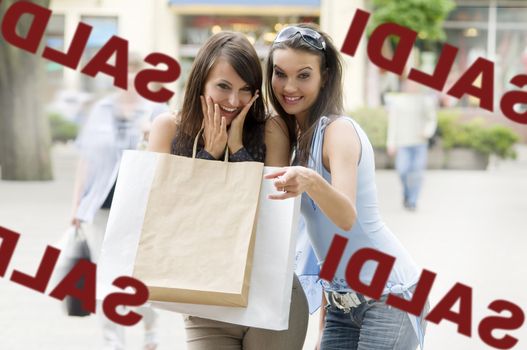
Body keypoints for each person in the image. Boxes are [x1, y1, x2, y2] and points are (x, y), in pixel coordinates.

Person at [264, 24, 428, 350]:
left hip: (389, 294)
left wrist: (310, 180)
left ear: (325, 76)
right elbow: (324, 243)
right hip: (342, 301)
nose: (289, 86)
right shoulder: (296, 137)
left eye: (303, 75)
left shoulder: (338, 131)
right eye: (280, 74)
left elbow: (345, 217)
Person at [147, 31, 308, 350]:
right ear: (201, 81)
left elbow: (271, 210)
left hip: (271, 292)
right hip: (204, 299)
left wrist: (238, 153)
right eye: (223, 87)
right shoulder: (169, 129)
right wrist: (208, 156)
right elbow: (160, 213)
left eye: (245, 90)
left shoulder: (272, 130)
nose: (234, 102)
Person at [71, 57, 167, 350]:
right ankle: (113, 341)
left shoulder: (156, 112)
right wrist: (75, 206)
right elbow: (85, 159)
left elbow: (168, 159)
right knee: (105, 276)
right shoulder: (100, 110)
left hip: (140, 209)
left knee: (139, 275)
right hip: (100, 207)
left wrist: (149, 132)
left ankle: (150, 326)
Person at [385, 78, 437, 211]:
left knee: (417, 173)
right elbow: (393, 123)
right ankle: (407, 193)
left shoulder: (424, 101)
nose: (412, 87)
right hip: (403, 143)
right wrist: (391, 143)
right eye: (410, 85)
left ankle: (413, 200)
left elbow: (431, 119)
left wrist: (427, 131)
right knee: (402, 171)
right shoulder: (398, 101)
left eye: (415, 85)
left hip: (420, 143)